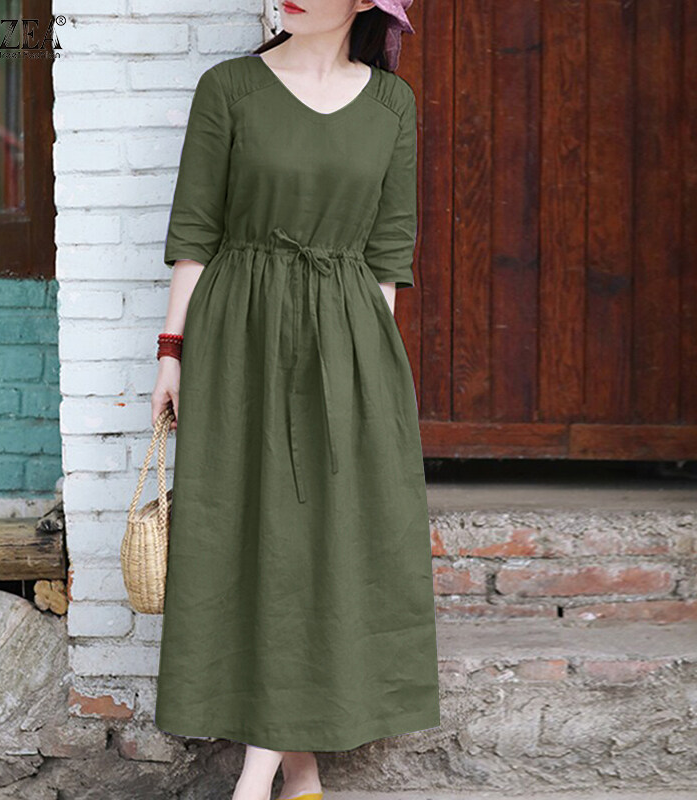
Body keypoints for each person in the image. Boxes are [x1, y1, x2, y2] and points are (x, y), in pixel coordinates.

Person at [151, 2, 439, 798]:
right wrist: (171, 351)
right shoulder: (230, 89)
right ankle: (299, 774)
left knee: (324, 543)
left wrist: (364, 376)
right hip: (239, 337)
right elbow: (196, 229)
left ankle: (260, 782)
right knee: (254, 541)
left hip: (345, 340)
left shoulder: (392, 104)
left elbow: (388, 252)